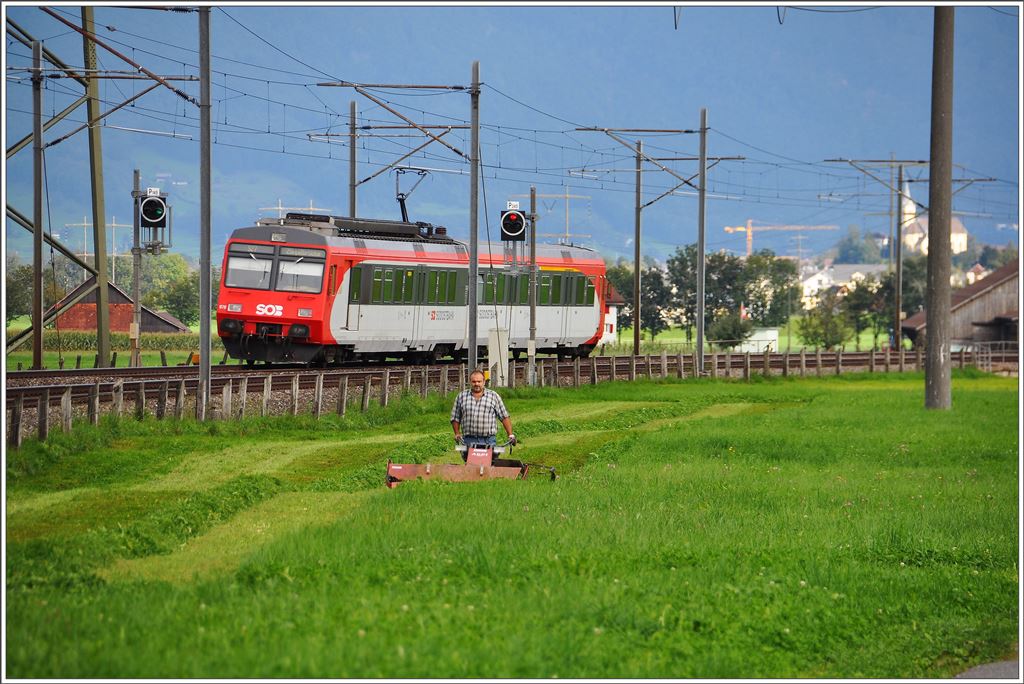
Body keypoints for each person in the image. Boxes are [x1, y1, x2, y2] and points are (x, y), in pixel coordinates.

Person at [450, 369, 516, 448]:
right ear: (470, 382)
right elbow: (455, 417)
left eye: (479, 381)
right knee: (469, 457)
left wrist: (510, 435)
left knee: (491, 456)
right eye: (474, 382)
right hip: (468, 440)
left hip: (488, 440)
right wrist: (457, 433)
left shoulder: (493, 396)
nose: (476, 384)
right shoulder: (461, 396)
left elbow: (504, 416)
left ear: (484, 382)